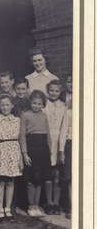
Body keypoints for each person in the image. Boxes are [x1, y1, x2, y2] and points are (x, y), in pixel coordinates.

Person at [20, 90, 52, 217]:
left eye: (39, 103)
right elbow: (22, 135)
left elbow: (48, 135)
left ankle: (37, 205)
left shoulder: (44, 115)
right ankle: (30, 206)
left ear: (43, 104)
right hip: (31, 148)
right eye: (34, 103)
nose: (36, 106)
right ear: (30, 103)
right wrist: (25, 153)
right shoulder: (25, 115)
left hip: (43, 149)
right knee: (30, 179)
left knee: (39, 179)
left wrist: (50, 151)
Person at [0, 95, 23, 223]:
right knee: (1, 181)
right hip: (0, 149)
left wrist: (20, 157)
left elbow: (19, 139)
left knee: (10, 181)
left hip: (13, 150)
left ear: (12, 106)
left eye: (7, 105)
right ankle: (0, 209)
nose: (5, 107)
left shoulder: (16, 120)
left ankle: (8, 208)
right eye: (3, 105)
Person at [43, 80, 68, 215]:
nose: (54, 93)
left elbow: (64, 129)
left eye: (57, 91)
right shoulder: (44, 105)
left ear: (60, 92)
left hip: (58, 142)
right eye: (51, 90)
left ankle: (56, 203)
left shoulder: (63, 107)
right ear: (48, 91)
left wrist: (61, 150)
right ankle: (49, 203)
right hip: (46, 142)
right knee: (48, 174)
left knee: (57, 174)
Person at [60, 99, 72, 219]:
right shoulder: (68, 112)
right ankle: (71, 207)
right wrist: (62, 151)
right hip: (70, 144)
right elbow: (63, 132)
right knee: (70, 178)